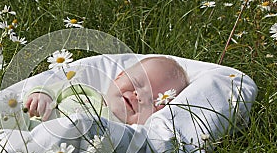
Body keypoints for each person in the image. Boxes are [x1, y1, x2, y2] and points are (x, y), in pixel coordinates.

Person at [24, 56, 189, 126]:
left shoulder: (127, 133)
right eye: (137, 83)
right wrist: (41, 95)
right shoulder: (84, 91)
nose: (139, 95)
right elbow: (54, 89)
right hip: (29, 119)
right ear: (119, 76)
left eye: (153, 101)